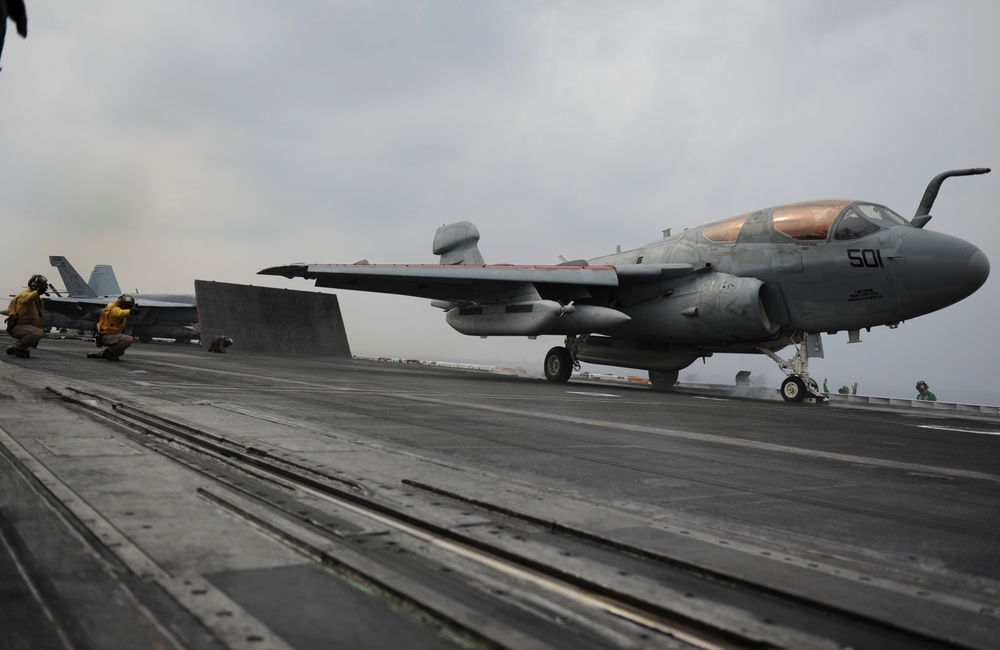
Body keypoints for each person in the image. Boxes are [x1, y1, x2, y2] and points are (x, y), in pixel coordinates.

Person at [5, 274, 48, 358]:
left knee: (37, 334)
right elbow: (27, 298)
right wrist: (38, 292)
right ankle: (17, 347)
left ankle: (18, 346)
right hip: (17, 326)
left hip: (24, 326)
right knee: (38, 333)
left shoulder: (37, 298)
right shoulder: (24, 295)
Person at [87, 294, 140, 361]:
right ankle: (107, 353)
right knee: (128, 339)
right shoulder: (114, 309)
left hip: (112, 335)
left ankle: (100, 354)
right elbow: (119, 313)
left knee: (120, 351)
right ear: (121, 304)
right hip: (107, 336)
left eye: (130, 306)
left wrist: (131, 311)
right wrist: (130, 312)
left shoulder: (116, 305)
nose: (128, 307)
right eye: (127, 306)